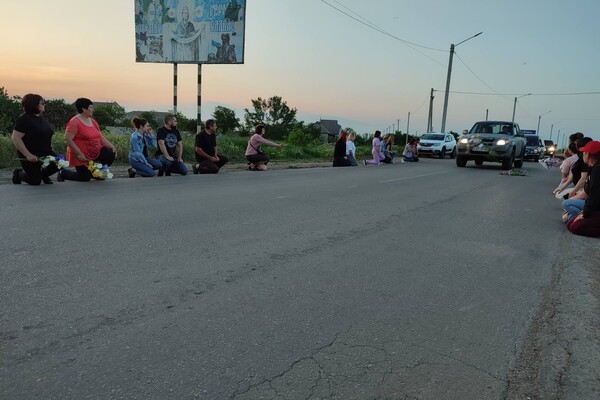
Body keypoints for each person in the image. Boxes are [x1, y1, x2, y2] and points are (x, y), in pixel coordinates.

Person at [57, 98, 117, 182]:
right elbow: (68, 138)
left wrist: (111, 146)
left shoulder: (93, 122)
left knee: (110, 153)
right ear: (84, 109)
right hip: (81, 155)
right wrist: (79, 154)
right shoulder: (74, 122)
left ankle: (96, 173)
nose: (93, 109)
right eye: (91, 107)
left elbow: (100, 137)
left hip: (95, 152)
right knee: (84, 178)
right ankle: (63, 173)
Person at [11, 94, 58, 185]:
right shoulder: (23, 119)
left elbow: (45, 135)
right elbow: (16, 138)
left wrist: (51, 148)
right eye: (42, 103)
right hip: (30, 155)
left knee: (61, 162)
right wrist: (28, 155)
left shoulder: (41, 117)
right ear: (34, 105)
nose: (44, 105)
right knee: (35, 181)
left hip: (46, 152)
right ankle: (18, 174)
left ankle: (43, 174)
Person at [566, 140, 600, 237]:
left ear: (588, 155)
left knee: (574, 227)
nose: (582, 155)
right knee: (570, 224)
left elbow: (594, 195)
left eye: (584, 152)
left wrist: (585, 214)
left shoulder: (597, 170)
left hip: (596, 209)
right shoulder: (594, 168)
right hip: (594, 208)